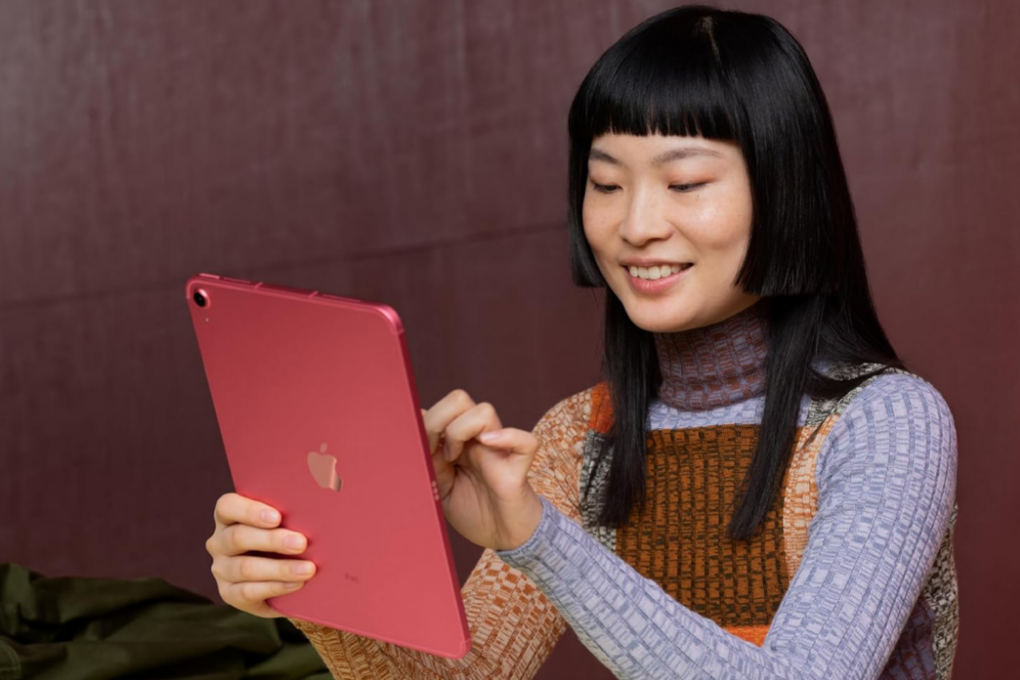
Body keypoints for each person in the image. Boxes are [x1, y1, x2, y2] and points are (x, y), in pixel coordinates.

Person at [204, 5, 959, 679]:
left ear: (786, 191)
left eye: (685, 183)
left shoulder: (886, 423)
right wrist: (316, 581)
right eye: (605, 184)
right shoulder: (578, 438)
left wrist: (541, 538)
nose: (635, 226)